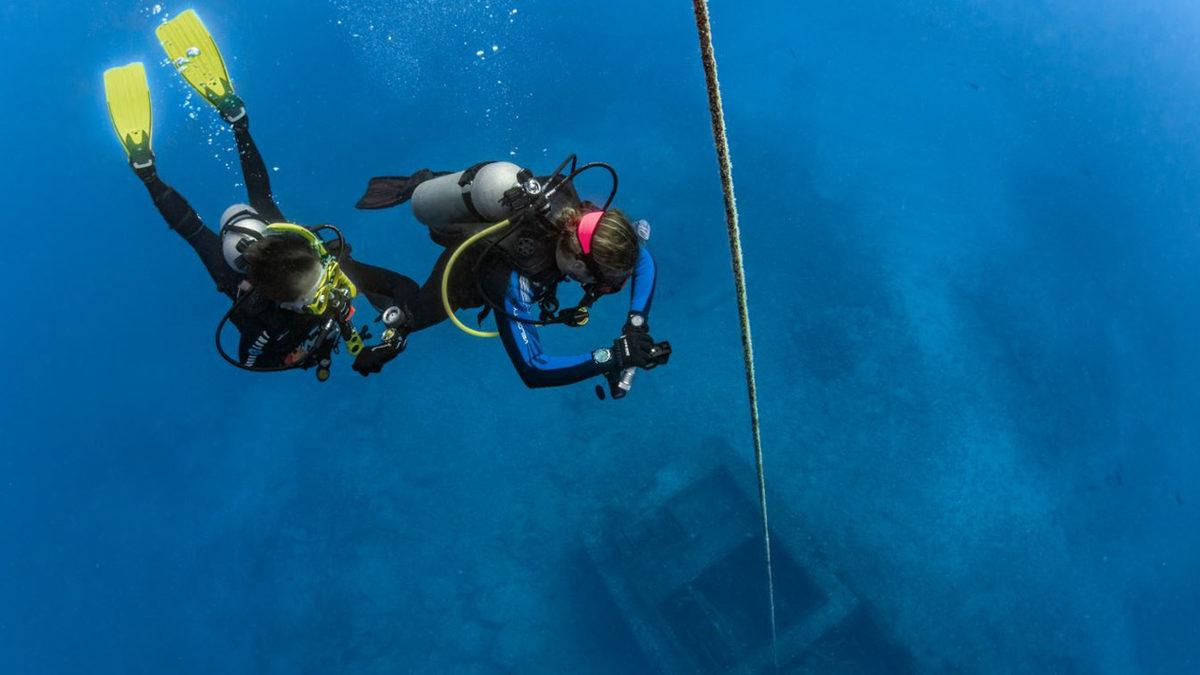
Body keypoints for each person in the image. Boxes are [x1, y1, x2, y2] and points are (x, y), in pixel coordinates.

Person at [103, 11, 417, 378]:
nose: (328, 293)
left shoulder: (320, 264)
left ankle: (229, 127)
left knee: (256, 206)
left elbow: (398, 287)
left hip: (270, 240)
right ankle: (220, 133)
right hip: (256, 267)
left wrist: (396, 333)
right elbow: (253, 359)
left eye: (323, 280)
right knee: (224, 223)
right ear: (276, 300)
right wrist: (299, 355)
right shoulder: (257, 314)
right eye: (314, 297)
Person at [352, 157, 670, 394]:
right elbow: (534, 369)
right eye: (603, 280)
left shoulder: (590, 226)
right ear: (579, 263)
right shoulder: (511, 281)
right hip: (466, 272)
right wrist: (610, 357)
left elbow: (642, 260)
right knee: (411, 315)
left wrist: (636, 322)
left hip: (490, 205)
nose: (605, 287)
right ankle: (347, 266)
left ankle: (429, 182)